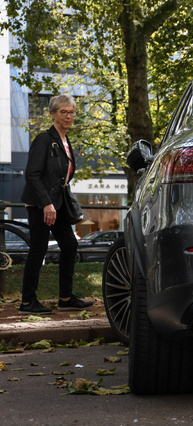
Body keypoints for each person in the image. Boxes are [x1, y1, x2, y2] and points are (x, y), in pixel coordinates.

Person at [19, 95, 93, 314]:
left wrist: (55, 203)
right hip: (40, 205)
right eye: (64, 112)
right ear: (52, 114)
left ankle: (66, 297)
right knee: (39, 248)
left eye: (71, 112)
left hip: (58, 204)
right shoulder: (44, 139)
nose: (69, 116)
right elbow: (32, 175)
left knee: (70, 245)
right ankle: (27, 302)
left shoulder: (65, 141)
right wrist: (46, 205)